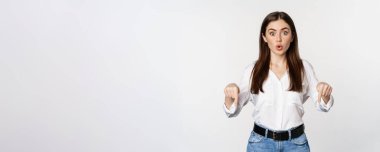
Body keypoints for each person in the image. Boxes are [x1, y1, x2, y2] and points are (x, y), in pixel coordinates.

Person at [223, 11, 334, 152]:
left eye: (285, 32)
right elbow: (232, 110)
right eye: (272, 33)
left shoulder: (304, 68)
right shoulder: (253, 70)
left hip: (296, 144)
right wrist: (230, 94)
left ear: (292, 36)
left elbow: (323, 105)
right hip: (261, 144)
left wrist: (325, 92)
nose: (279, 39)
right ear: (264, 37)